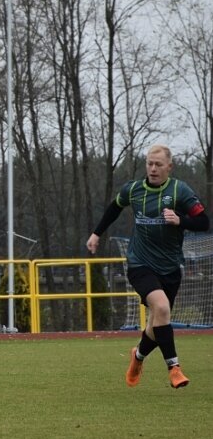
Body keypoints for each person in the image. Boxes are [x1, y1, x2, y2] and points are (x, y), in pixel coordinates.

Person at [87, 144, 209, 389]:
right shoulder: (133, 189)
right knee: (162, 307)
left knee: (157, 322)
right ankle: (174, 368)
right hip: (140, 263)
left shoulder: (180, 191)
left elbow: (204, 221)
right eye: (149, 163)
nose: (153, 169)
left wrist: (180, 220)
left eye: (158, 164)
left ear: (169, 167)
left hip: (171, 267)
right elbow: (114, 208)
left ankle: (138, 357)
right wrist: (96, 234)